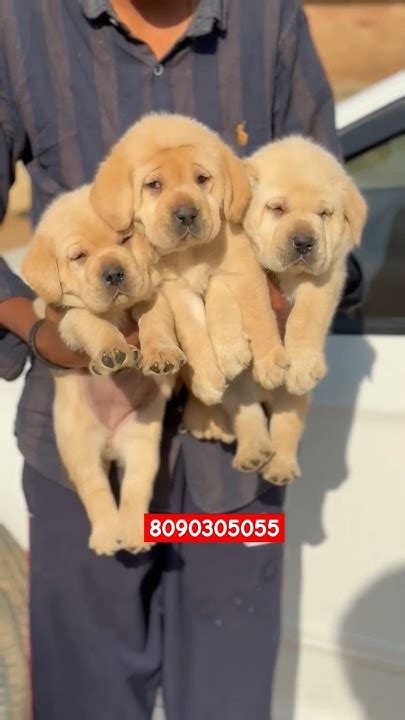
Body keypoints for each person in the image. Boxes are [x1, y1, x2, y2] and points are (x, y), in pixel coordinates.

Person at [0, 1, 342, 718]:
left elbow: (329, 204)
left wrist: (275, 306)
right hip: (84, 447)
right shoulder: (23, 24)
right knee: (85, 702)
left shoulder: (268, 20)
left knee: (227, 696)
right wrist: (38, 332)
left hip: (231, 465)